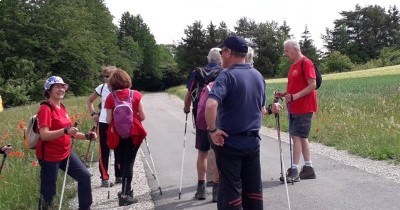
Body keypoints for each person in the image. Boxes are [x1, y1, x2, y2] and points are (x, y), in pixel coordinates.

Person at [205, 36, 281, 210]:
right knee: (253, 191)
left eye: (222, 51)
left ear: (229, 52)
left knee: (231, 193)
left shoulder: (227, 76)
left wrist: (212, 130)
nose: (221, 56)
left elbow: (210, 105)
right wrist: (271, 109)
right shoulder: (258, 76)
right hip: (253, 142)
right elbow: (260, 109)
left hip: (229, 141)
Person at [36, 76, 97, 210]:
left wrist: (87, 136)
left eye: (63, 86)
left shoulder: (62, 107)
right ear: (49, 90)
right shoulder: (45, 109)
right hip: (49, 157)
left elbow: (71, 132)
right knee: (48, 193)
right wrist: (64, 131)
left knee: (85, 177)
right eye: (57, 86)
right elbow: (44, 135)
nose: (61, 89)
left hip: (65, 153)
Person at [183, 47, 223, 201]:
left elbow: (188, 95)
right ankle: (216, 191)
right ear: (220, 60)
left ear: (208, 59)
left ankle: (201, 188)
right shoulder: (223, 73)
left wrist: (187, 109)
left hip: (199, 118)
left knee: (202, 153)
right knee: (218, 154)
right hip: (217, 118)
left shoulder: (197, 72)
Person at [276, 39, 318, 183]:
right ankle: (308, 168)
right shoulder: (293, 65)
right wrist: (284, 94)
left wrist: (295, 96)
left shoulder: (306, 63)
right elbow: (294, 87)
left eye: (287, 51)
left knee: (296, 136)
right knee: (302, 137)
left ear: (295, 49)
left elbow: (312, 84)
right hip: (295, 106)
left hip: (304, 106)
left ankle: (294, 170)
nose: (285, 54)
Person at [105, 68, 146, 206]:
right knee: (129, 162)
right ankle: (125, 194)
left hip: (117, 134)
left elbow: (109, 118)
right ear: (127, 80)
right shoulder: (135, 95)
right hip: (133, 133)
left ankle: (124, 190)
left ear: (112, 82)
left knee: (122, 161)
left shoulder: (110, 98)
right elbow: (143, 116)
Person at [87, 66, 121, 187]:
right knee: (104, 151)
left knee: (118, 149)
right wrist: (93, 114)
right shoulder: (101, 88)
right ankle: (104, 178)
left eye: (109, 76)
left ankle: (119, 176)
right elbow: (90, 101)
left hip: (118, 122)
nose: (106, 78)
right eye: (104, 76)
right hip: (103, 123)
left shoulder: (120, 87)